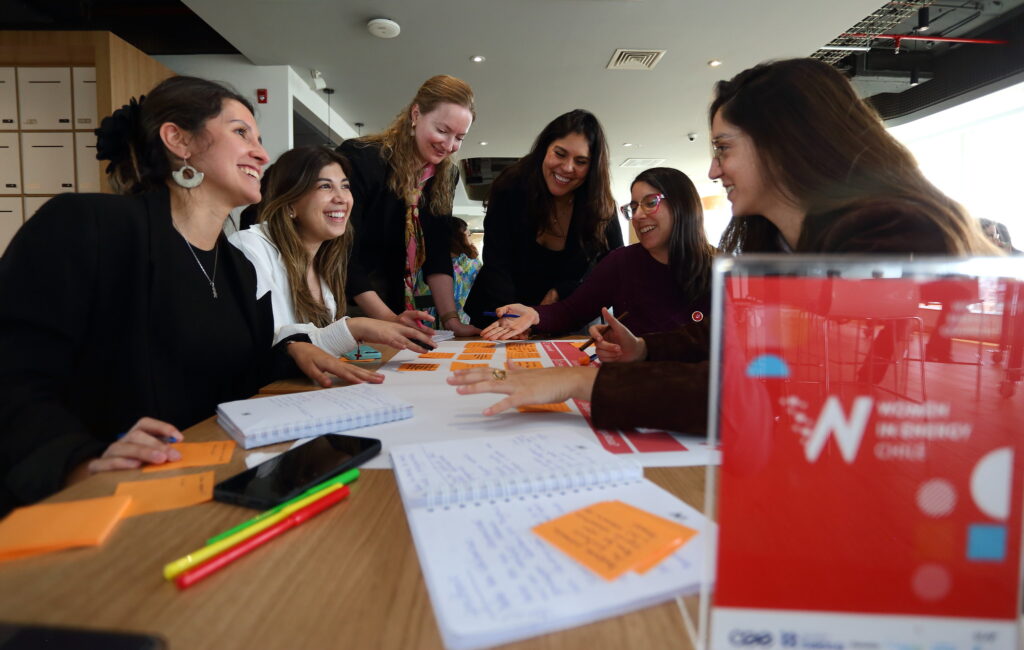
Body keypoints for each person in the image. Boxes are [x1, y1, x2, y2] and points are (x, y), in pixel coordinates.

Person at [449, 57, 996, 432]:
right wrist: (642, 353)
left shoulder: (891, 239)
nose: (713, 170)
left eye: (724, 148)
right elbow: (733, 342)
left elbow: (764, 390)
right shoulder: (781, 243)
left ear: (785, 145)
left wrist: (582, 380)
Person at [0, 76, 382, 515]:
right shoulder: (86, 226)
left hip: (201, 488)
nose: (261, 153)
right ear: (178, 140)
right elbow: (14, 377)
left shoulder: (236, 267)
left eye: (259, 139)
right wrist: (79, 460)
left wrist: (292, 351)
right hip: (94, 502)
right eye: (241, 133)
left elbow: (239, 371)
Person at [229, 146, 436, 356]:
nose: (341, 198)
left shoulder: (326, 265)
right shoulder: (248, 249)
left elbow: (318, 350)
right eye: (325, 186)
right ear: (291, 202)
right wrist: (354, 328)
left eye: (345, 187)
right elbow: (259, 350)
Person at [480, 167, 714, 340]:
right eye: (633, 207)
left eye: (650, 202)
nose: (639, 215)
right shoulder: (621, 262)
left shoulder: (723, 269)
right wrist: (533, 314)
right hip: (636, 382)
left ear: (683, 205)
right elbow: (572, 311)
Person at [338, 74, 478, 336]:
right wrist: (388, 319)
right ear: (416, 114)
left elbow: (436, 250)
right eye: (442, 130)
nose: (449, 146)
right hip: (349, 302)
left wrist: (451, 320)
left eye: (460, 137)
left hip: (394, 300)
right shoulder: (364, 159)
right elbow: (343, 251)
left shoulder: (446, 175)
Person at [463, 109, 624, 328]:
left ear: (592, 167)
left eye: (581, 161)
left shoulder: (600, 205)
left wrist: (564, 290)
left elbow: (614, 269)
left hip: (563, 318)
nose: (567, 168)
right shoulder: (510, 187)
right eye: (559, 153)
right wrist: (510, 316)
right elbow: (496, 260)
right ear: (544, 149)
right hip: (497, 312)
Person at [448, 217, 482, 325]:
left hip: (428, 320)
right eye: (468, 234)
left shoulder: (427, 264)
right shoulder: (472, 263)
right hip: (464, 318)